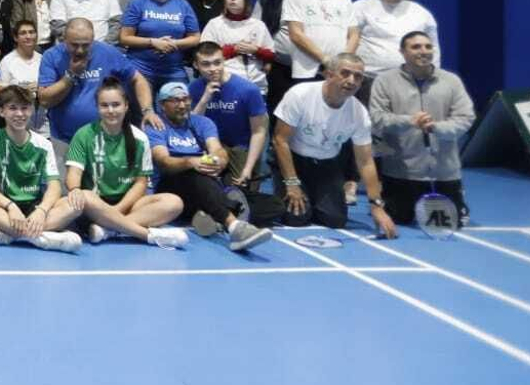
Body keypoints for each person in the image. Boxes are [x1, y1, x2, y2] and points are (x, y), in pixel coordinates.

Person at [272, 52, 396, 237]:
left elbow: (365, 161)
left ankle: (314, 194)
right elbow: (279, 140)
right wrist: (291, 184)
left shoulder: (359, 113)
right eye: (345, 73)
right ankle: (293, 190)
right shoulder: (300, 95)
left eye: (358, 77)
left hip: (328, 165)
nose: (351, 81)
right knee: (296, 218)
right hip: (294, 161)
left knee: (335, 220)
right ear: (329, 74)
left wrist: (376, 205)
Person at [147, 82, 271, 251]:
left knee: (273, 206)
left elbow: (218, 150)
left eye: (186, 99)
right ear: (162, 105)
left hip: (204, 184)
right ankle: (234, 226)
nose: (182, 105)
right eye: (175, 101)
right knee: (195, 175)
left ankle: (207, 215)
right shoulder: (156, 125)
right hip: (170, 185)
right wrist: (191, 162)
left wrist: (217, 161)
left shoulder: (202, 123)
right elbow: (163, 161)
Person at [63, 79, 188, 247]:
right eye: (104, 105)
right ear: (98, 108)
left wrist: (117, 211)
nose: (111, 110)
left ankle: (109, 230)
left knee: (174, 202)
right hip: (95, 206)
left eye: (116, 105)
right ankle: (147, 235)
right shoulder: (84, 134)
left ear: (126, 106)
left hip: (128, 204)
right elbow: (74, 174)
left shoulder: (140, 138)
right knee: (84, 196)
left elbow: (140, 183)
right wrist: (75, 189)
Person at [369, 32, 475, 226]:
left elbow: (466, 119)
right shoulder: (385, 81)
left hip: (444, 173)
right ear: (402, 52)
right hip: (401, 173)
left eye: (428, 46)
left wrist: (436, 127)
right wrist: (409, 121)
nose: (423, 51)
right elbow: (377, 119)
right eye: (416, 47)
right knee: (399, 219)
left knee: (452, 224)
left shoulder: (451, 81)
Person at [0, 85, 82, 252]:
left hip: (34, 206)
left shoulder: (43, 144)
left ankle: (9, 234)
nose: (20, 114)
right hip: (4, 207)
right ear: (2, 112)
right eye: (13, 108)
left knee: (75, 204)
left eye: (25, 108)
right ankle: (39, 238)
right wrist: (10, 206)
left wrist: (42, 210)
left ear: (31, 111)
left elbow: (54, 185)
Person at [38, 19, 158, 148]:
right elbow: (45, 100)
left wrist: (148, 110)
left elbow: (138, 79)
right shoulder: (51, 56)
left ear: (93, 39)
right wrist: (70, 76)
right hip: (65, 140)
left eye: (85, 45)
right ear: (65, 39)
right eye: (74, 45)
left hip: (104, 138)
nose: (80, 50)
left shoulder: (107, 52)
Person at [188, 43, 270, 190]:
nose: (213, 69)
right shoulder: (194, 88)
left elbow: (259, 132)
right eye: (206, 64)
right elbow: (191, 126)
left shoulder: (248, 89)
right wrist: (205, 99)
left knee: (242, 190)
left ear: (224, 60)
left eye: (217, 62)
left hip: (241, 147)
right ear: (195, 65)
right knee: (202, 187)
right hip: (210, 145)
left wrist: (248, 168)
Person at [279, 0, 358, 84]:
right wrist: (326, 60)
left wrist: (343, 62)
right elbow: (296, 34)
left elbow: (354, 35)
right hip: (307, 73)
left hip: (340, 73)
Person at [353, 0, 441, 89]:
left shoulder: (421, 14)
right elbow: (347, 40)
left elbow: (433, 47)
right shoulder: (360, 7)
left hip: (409, 81)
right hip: (368, 79)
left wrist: (433, 77)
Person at [118, 0, 201, 89]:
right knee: (143, 107)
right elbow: (124, 38)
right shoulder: (137, 3)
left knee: (180, 104)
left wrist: (174, 43)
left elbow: (195, 37)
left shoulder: (182, 4)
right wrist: (153, 42)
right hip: (141, 68)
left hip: (173, 70)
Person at [254, 0, 306, 112]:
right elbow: (256, 29)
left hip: (311, 66)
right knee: (278, 112)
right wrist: (265, 59)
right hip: (278, 67)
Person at [199, 0, 275, 94]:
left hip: (256, 84)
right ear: (224, 1)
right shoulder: (215, 24)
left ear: (245, 0)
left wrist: (256, 50)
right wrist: (234, 49)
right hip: (225, 82)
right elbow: (205, 54)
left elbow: (271, 55)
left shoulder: (258, 25)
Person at [0, 19, 46, 133]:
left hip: (43, 124)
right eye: (23, 33)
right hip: (17, 123)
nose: (28, 36)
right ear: (16, 38)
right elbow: (0, 91)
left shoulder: (43, 60)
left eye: (31, 32)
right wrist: (22, 90)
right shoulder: (7, 62)